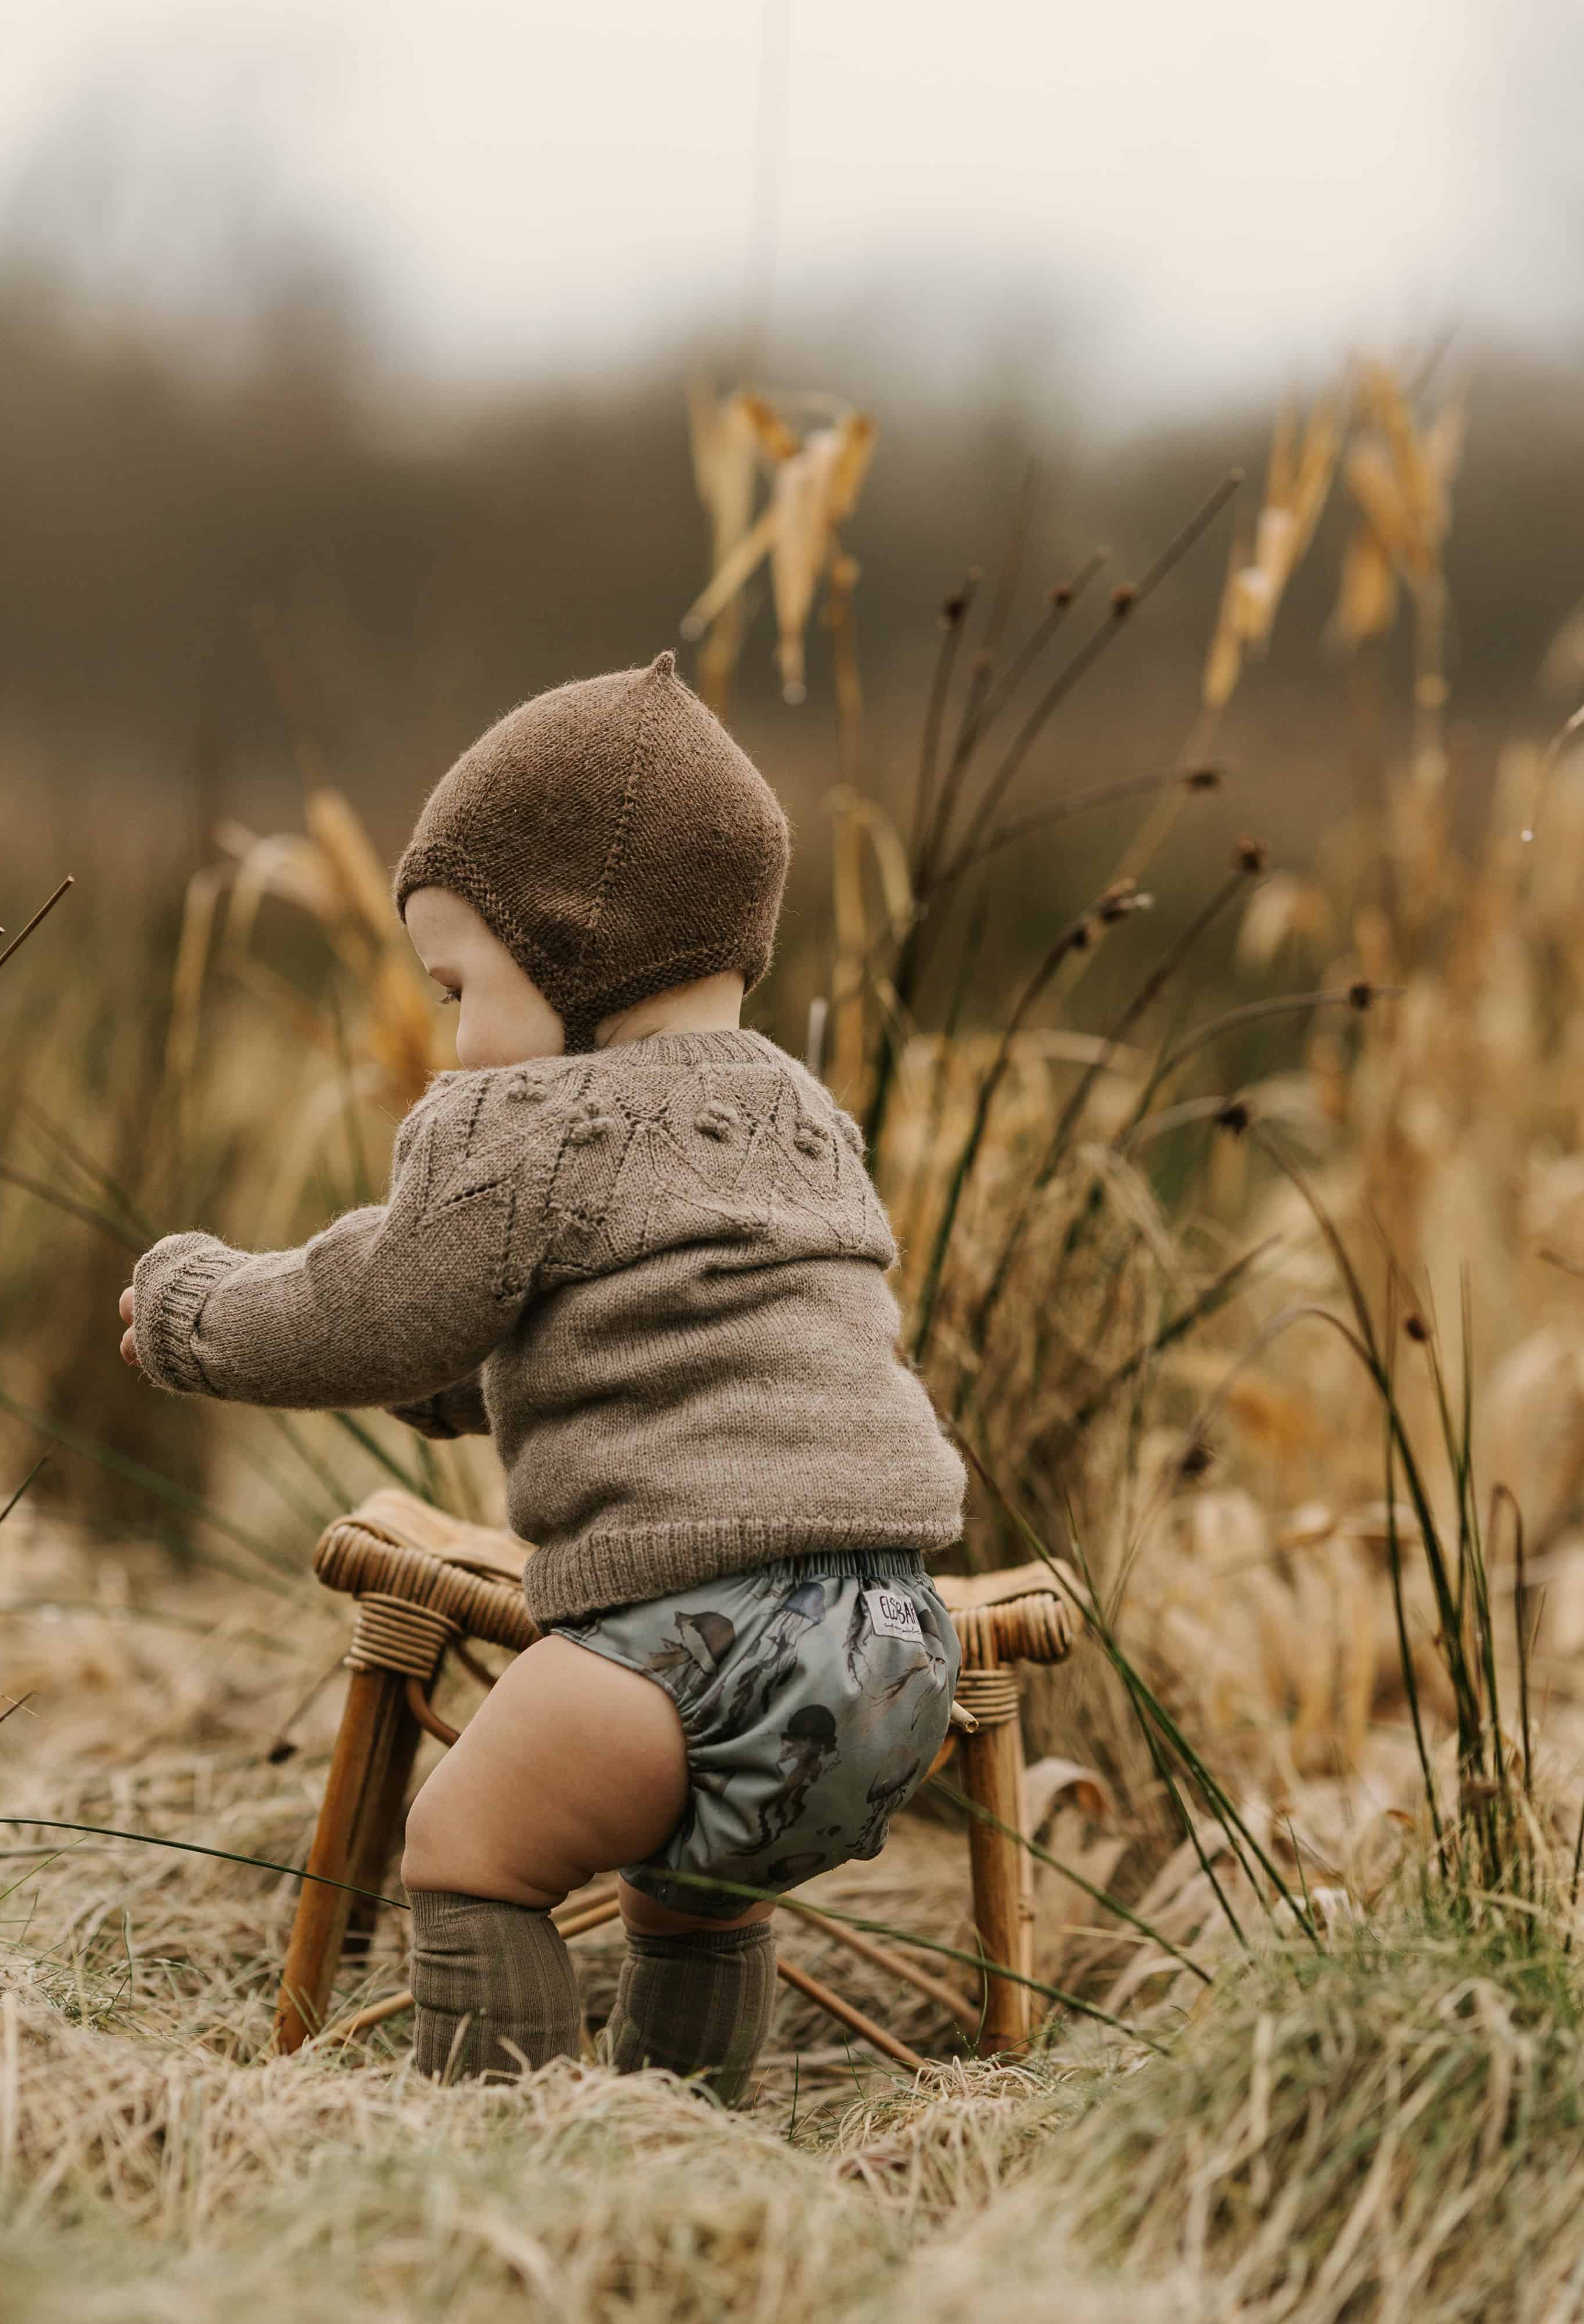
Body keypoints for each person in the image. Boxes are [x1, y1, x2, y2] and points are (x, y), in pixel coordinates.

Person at [115, 653, 964, 2097]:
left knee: (464, 1848)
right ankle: (678, 2140)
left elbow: (376, 1308)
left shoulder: (527, 1121)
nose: (454, 1035)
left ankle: (509, 2168)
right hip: (895, 1647)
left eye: (462, 984)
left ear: (571, 950)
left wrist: (201, 1310)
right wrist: (461, 1384)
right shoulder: (804, 1116)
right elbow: (636, 1339)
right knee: (697, 1898)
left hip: (698, 1630)